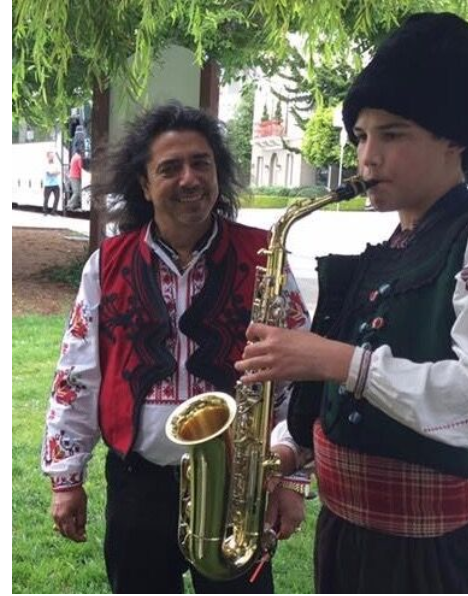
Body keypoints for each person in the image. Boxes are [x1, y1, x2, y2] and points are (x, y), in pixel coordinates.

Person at [237, 13, 468, 593]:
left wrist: (335, 360)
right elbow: (346, 403)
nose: (367, 158)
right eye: (360, 136)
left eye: (392, 134)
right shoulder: (386, 249)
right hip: (346, 539)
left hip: (423, 560)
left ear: (455, 138)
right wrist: (286, 451)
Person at [42, 102, 311, 594]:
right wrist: (66, 477)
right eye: (170, 168)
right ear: (143, 184)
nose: (190, 179)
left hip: (240, 490)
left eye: (201, 163)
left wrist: (292, 478)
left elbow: (297, 373)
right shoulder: (107, 264)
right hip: (138, 487)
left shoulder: (263, 257)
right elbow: (76, 374)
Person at [43, 151, 63, 215]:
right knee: (46, 199)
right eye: (51, 156)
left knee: (57, 197)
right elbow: (49, 174)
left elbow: (59, 172)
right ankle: (45, 211)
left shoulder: (55, 164)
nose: (52, 157)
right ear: (48, 156)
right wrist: (55, 173)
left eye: (53, 156)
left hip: (55, 184)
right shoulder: (45, 164)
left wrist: (54, 173)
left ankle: (53, 211)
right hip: (48, 185)